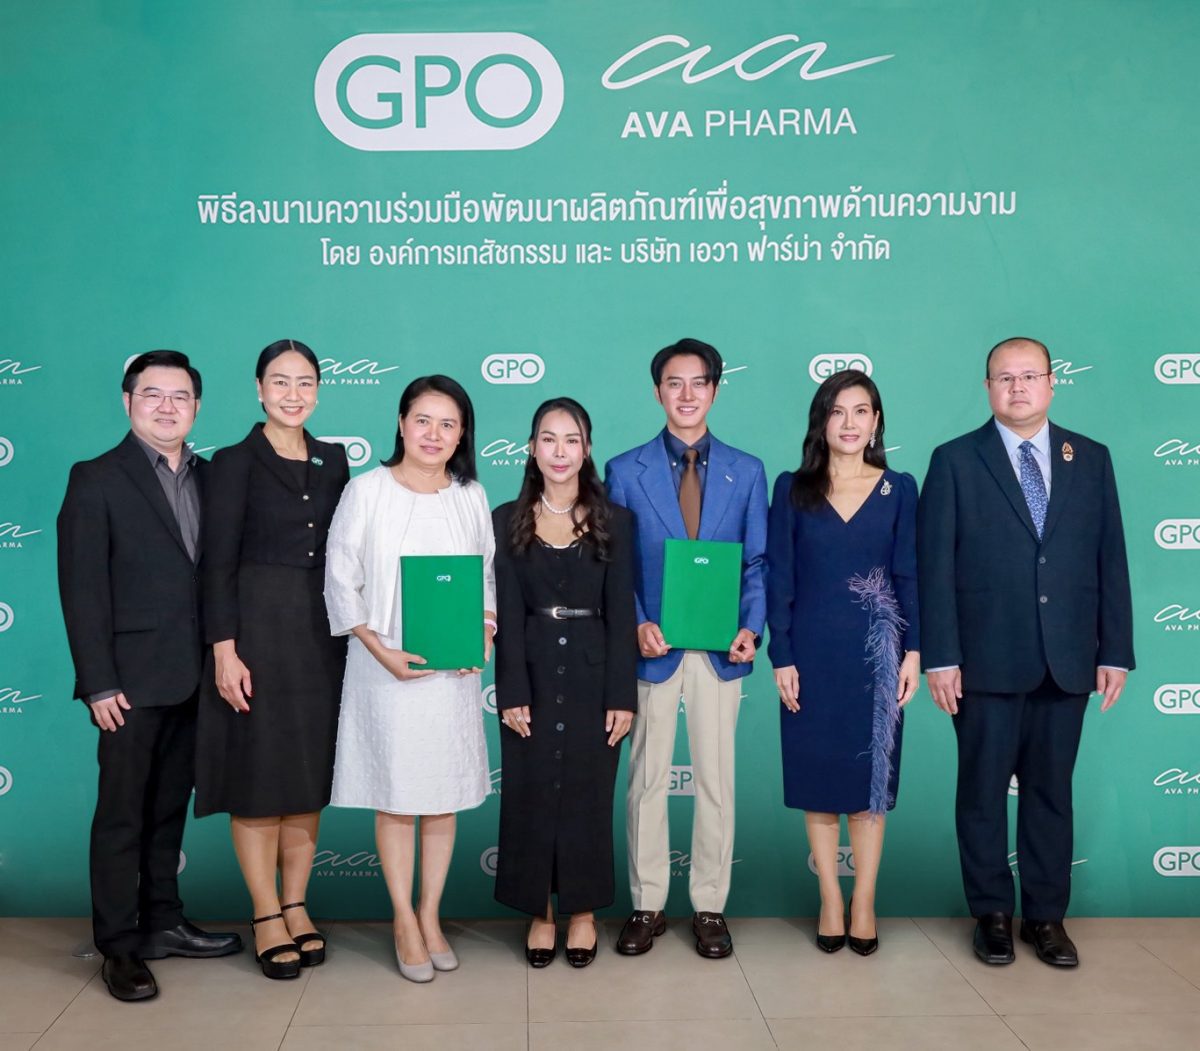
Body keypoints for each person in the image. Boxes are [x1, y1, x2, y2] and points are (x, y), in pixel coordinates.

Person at [917, 337, 1134, 968]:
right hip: (982, 662)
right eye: (1004, 377)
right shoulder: (955, 460)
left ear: (1051, 383)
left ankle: (1045, 918)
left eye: (1029, 375)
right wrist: (941, 656)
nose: (1017, 387)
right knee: (981, 793)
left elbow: (1110, 558)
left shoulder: (1090, 458)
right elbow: (935, 566)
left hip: (1067, 660)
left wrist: (1115, 650)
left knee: (1051, 794)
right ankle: (991, 914)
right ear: (987, 387)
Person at [56, 351, 241, 1002]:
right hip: (128, 684)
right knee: (122, 817)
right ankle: (119, 945)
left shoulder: (213, 477)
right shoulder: (96, 478)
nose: (167, 406)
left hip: (197, 678)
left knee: (166, 811)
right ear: (128, 401)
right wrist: (98, 682)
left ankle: (164, 920)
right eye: (153, 393)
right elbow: (82, 589)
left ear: (197, 407)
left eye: (180, 396)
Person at [324, 374, 495, 983]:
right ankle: (401, 918)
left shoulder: (470, 495)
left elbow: (486, 576)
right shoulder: (366, 491)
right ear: (401, 424)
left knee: (442, 795)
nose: (434, 434)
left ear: (462, 435)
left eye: (448, 424)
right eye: (423, 420)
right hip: (385, 668)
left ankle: (430, 914)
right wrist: (380, 650)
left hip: (450, 673)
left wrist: (483, 633)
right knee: (396, 795)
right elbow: (340, 577)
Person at [605, 337, 768, 960]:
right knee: (646, 780)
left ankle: (709, 905)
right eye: (674, 382)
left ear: (715, 390)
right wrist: (635, 622)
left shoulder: (746, 470)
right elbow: (614, 565)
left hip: (722, 652)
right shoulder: (625, 470)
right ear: (657, 392)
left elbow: (757, 562)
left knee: (716, 781)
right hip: (654, 647)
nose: (687, 394)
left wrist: (750, 627)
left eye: (699, 382)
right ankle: (647, 902)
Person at [193, 339, 349, 979]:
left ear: (318, 390)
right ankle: (264, 913)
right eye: (280, 382)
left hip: (321, 636)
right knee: (258, 777)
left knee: (306, 776)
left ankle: (296, 904)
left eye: (304, 382)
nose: (293, 394)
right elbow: (216, 563)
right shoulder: (232, 462)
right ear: (259, 389)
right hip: (254, 634)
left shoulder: (335, 459)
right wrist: (223, 649)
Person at [766, 370, 919, 955]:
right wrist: (782, 654)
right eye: (837, 411)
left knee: (870, 784)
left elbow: (910, 575)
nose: (849, 423)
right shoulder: (793, 488)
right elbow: (780, 578)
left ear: (876, 421)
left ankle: (864, 901)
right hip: (811, 652)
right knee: (819, 778)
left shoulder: (899, 488)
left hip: (878, 653)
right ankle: (831, 897)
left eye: (861, 411)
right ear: (821, 422)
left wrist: (914, 650)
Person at [492, 398, 637, 968]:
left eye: (571, 440)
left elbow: (621, 613)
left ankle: (582, 912)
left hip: (593, 672)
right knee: (529, 793)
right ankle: (540, 911)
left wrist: (621, 695)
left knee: (586, 793)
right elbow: (505, 610)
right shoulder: (506, 518)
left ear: (587, 448)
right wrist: (511, 689)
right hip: (528, 668)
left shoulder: (615, 521)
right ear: (532, 448)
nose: (559, 451)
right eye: (548, 439)